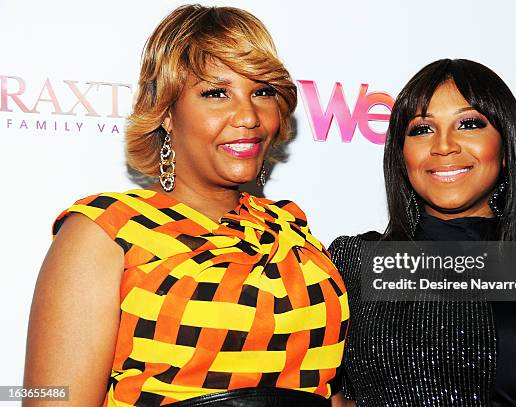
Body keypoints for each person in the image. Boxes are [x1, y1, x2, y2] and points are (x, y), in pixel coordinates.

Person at [24, 5, 348, 406]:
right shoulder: (106, 232)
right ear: (166, 114)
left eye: (262, 91)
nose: (248, 116)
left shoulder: (293, 230)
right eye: (216, 93)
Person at [329, 59, 516, 406]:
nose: (444, 145)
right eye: (422, 129)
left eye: (468, 124)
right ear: (402, 155)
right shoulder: (354, 263)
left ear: (506, 148)